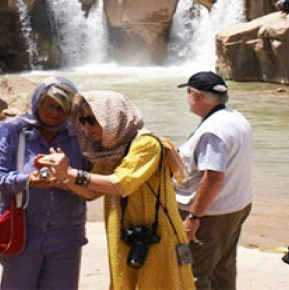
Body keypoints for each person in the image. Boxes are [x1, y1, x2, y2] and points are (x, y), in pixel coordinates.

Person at [38, 90, 195, 290]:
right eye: (83, 120)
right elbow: (92, 193)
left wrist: (70, 173)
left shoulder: (147, 144)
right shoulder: (111, 151)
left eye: (92, 120)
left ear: (113, 117)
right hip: (127, 236)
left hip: (156, 237)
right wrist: (62, 177)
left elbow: (120, 184)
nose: (87, 127)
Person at [0, 77, 90, 290]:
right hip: (22, 232)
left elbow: (93, 180)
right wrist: (27, 180)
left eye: (62, 107)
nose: (54, 112)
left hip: (66, 235)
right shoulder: (14, 131)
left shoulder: (81, 136)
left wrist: (67, 178)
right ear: (37, 103)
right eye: (48, 105)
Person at [174, 71, 253, 290]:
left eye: (188, 93)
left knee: (195, 272)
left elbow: (214, 177)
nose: (187, 99)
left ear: (197, 96)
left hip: (211, 214)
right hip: (236, 205)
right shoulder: (235, 117)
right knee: (223, 267)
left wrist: (194, 217)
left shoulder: (213, 131)